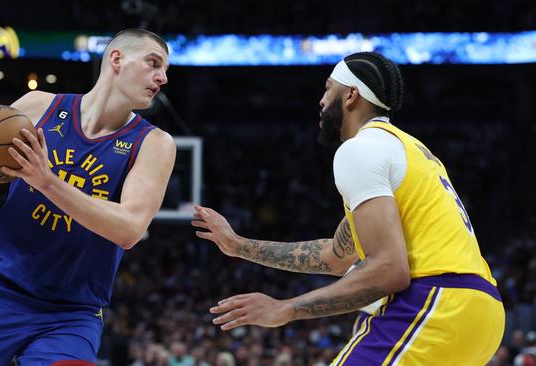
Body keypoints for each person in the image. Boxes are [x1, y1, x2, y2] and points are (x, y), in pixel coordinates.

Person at [192, 51, 504, 365]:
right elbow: (336, 257)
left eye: (328, 88)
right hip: (482, 313)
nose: (321, 100)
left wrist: (285, 308)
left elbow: (388, 270)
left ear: (351, 95)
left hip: (438, 302)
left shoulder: (361, 149)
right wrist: (237, 246)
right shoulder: (406, 149)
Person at [0, 28, 176, 366]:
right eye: (154, 63)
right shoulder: (40, 105)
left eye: (166, 71)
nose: (162, 78)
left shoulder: (155, 143)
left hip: (70, 314)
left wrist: (46, 181)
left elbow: (129, 229)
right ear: (116, 59)